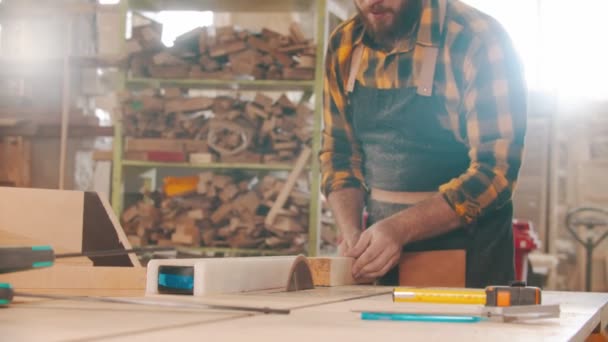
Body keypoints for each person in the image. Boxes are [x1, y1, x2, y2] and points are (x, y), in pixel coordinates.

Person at [319, 0, 527, 288]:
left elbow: (496, 173)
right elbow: (338, 155)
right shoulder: (344, 43)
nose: (371, 2)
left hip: (469, 261)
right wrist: (353, 235)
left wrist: (400, 229)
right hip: (381, 258)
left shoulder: (476, 40)